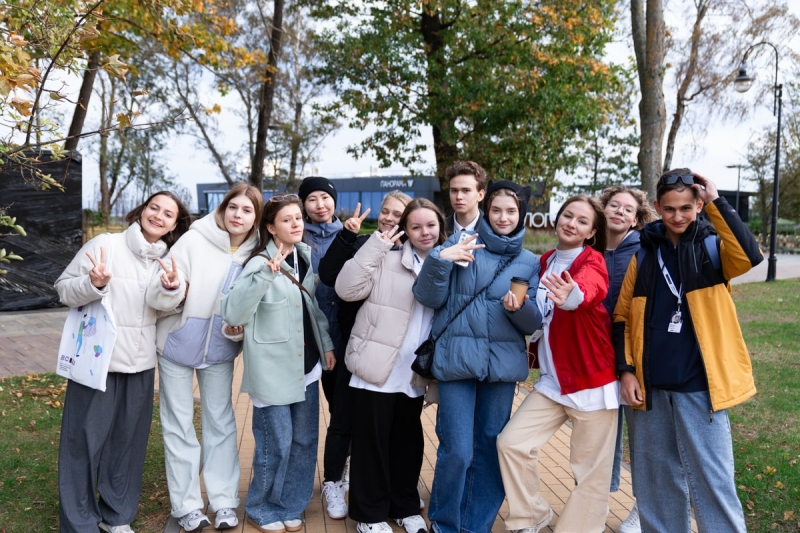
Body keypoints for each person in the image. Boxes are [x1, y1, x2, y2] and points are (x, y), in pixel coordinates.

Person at [613, 169, 762, 533]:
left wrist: (716, 201)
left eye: (686, 208)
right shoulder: (645, 256)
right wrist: (626, 369)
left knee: (714, 483)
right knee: (657, 485)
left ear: (697, 205)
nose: (677, 216)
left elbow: (750, 255)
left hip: (700, 387)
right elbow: (621, 317)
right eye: (669, 209)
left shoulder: (713, 250)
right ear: (657, 208)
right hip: (650, 389)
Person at [55, 191, 192, 533]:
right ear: (142, 210)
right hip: (96, 364)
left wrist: (173, 289)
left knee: (128, 444)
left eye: (168, 214)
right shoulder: (106, 244)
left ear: (176, 225)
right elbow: (63, 290)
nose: (158, 216)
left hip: (141, 364)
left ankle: (117, 517)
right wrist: (93, 283)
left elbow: (161, 309)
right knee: (83, 443)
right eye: (154, 208)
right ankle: (80, 521)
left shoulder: (169, 259)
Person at [413, 179, 542, 533]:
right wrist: (440, 260)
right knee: (457, 450)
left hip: (500, 369)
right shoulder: (461, 242)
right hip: (456, 361)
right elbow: (428, 297)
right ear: (486, 210)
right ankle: (443, 524)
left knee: (489, 449)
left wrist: (519, 309)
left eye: (511, 211)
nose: (503, 217)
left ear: (522, 215)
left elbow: (532, 324)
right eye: (496, 210)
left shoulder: (529, 260)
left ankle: (475, 526)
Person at [496, 195, 618, 533]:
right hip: (554, 381)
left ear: (592, 232)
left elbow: (589, 289)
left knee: (589, 471)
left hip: (592, 381)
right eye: (567, 215)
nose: (571, 223)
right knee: (512, 444)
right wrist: (518, 310)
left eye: (581, 221)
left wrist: (573, 295)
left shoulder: (592, 261)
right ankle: (531, 516)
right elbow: (538, 321)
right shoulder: (545, 261)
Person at [147, 184, 263, 531]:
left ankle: (224, 501)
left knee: (221, 423)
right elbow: (163, 289)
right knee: (178, 426)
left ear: (256, 218)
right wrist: (170, 288)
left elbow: (252, 306)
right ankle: (185, 506)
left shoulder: (256, 253)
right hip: (175, 346)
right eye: (233, 207)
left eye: (246, 210)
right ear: (223, 208)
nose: (237, 215)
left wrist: (238, 331)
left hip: (220, 351)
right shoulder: (194, 239)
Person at [220, 194, 336, 533]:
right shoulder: (257, 264)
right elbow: (232, 313)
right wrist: (265, 276)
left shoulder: (303, 256)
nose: (297, 223)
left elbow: (312, 308)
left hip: (307, 365)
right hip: (271, 371)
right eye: (288, 220)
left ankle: (291, 504)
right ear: (270, 228)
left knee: (303, 442)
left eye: (298, 217)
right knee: (277, 443)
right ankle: (261, 506)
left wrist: (326, 344)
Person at [335, 198, 447, 533]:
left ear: (441, 227)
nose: (424, 232)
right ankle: (369, 515)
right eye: (415, 226)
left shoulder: (448, 263)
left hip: (414, 372)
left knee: (407, 441)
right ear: (405, 230)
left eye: (430, 225)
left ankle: (404, 505)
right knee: (371, 443)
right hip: (376, 366)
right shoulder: (388, 259)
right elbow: (346, 289)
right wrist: (377, 244)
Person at [317, 190, 413, 519]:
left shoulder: (415, 254)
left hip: (393, 354)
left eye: (397, 213)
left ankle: (381, 486)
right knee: (343, 417)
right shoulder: (362, 244)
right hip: (353, 345)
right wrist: (347, 236)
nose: (388, 217)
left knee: (383, 425)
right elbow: (329, 276)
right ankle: (333, 481)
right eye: (385, 211)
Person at [598, 185, 656, 533]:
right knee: (600, 438)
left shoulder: (645, 250)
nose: (619, 212)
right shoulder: (586, 248)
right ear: (603, 209)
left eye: (627, 209)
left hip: (633, 358)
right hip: (594, 357)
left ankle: (641, 509)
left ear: (637, 218)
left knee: (643, 440)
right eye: (613, 205)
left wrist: (629, 364)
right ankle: (596, 499)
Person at [298, 176, 344, 406]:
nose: (320, 205)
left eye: (325, 197)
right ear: (304, 205)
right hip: (309, 335)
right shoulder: (297, 237)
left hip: (344, 333)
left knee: (342, 405)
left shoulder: (347, 236)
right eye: (312, 199)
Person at [444, 160, 486, 235]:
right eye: (454, 190)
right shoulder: (439, 229)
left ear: (480, 195)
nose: (458, 197)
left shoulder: (493, 230)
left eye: (466, 190)